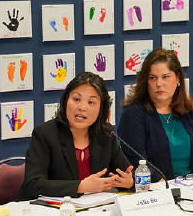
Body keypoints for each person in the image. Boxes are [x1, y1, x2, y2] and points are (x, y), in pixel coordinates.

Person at [17, 72, 133, 200]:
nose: (82, 107)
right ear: (66, 100)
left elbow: (126, 172)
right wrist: (80, 186)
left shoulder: (105, 133)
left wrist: (129, 182)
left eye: (91, 102)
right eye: (76, 99)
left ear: (101, 108)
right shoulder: (45, 134)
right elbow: (33, 184)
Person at [117, 49, 193, 182]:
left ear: (178, 78)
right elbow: (137, 162)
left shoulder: (190, 111)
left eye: (165, 77)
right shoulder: (133, 115)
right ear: (145, 82)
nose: (159, 84)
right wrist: (167, 188)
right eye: (153, 78)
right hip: (158, 192)